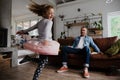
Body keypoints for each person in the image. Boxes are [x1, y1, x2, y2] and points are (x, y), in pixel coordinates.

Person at [16, 1, 59, 80]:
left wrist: (22, 31)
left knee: (43, 61)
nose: (52, 15)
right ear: (44, 14)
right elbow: (46, 31)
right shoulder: (50, 22)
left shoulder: (40, 22)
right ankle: (35, 78)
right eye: (50, 13)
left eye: (53, 13)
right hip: (45, 43)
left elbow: (30, 28)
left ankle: (28, 58)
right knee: (43, 62)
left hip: (40, 43)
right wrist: (46, 40)